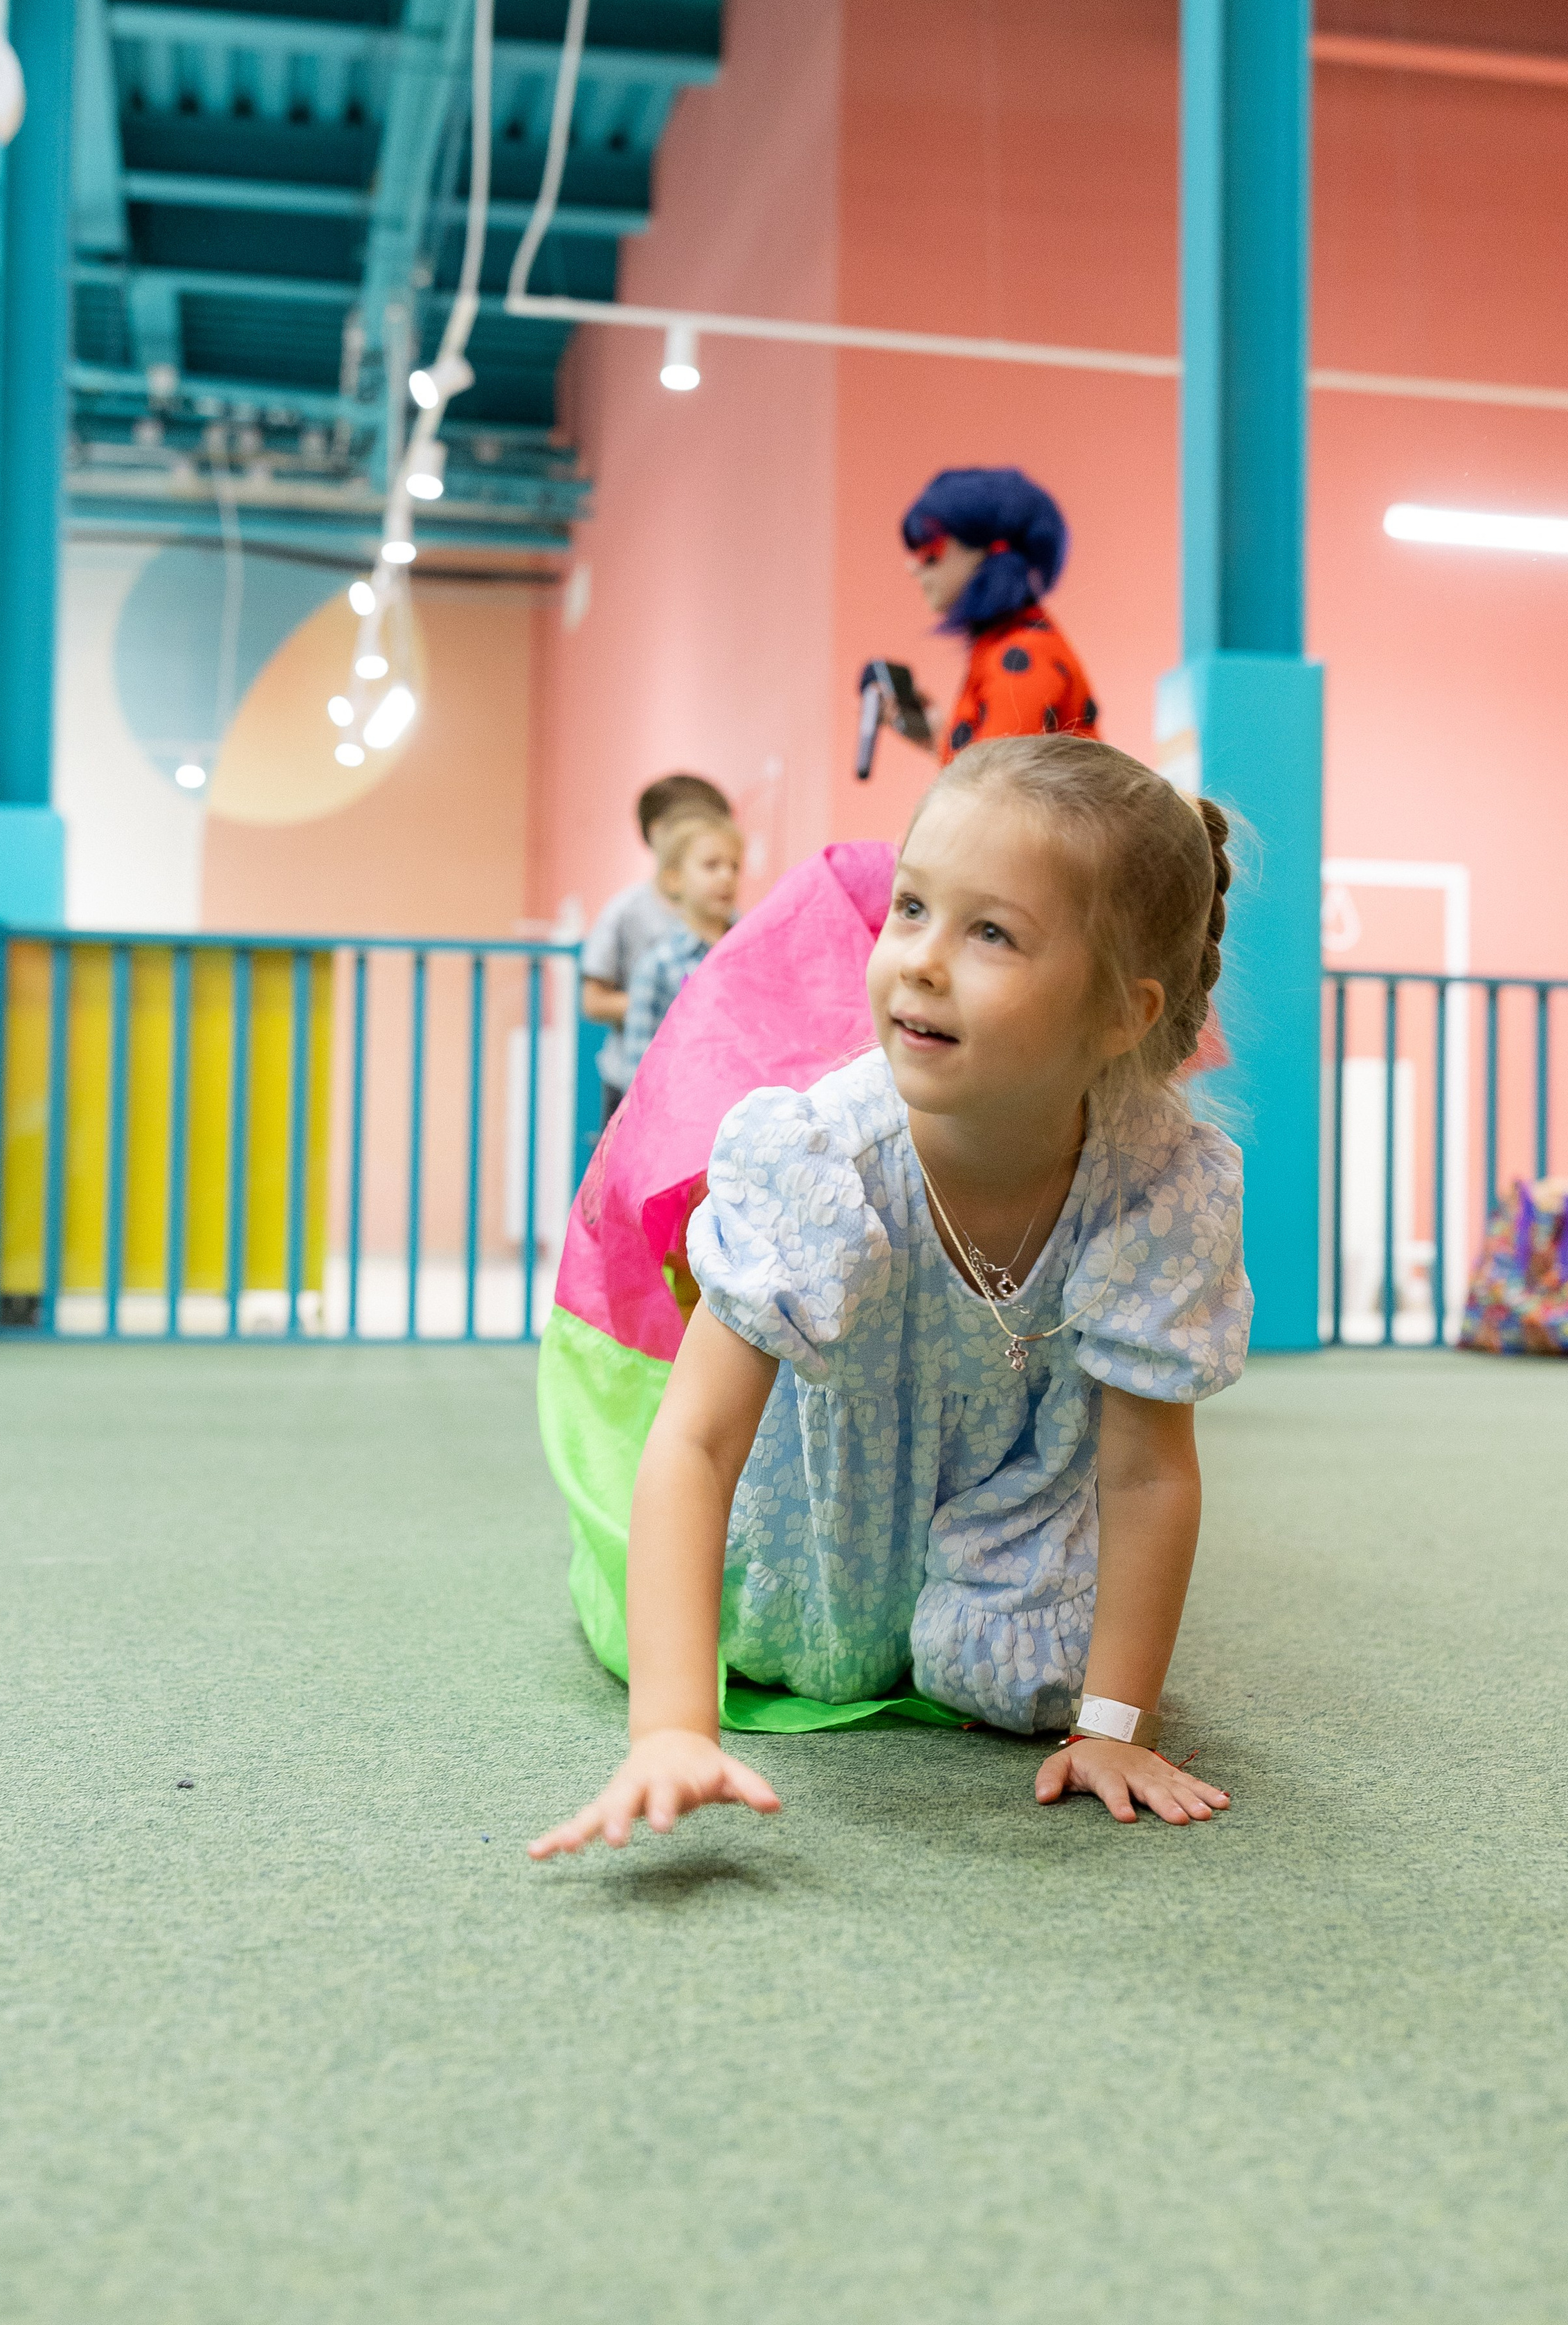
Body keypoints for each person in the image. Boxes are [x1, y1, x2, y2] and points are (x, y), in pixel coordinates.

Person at [530, 736, 1249, 1860]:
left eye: (992, 932)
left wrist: (1115, 1727)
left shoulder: (1157, 1183)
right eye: (910, 907)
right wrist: (672, 1727)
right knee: (798, 1644)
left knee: (1030, 1683)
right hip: (820, 1538)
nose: (919, 960)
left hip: (1006, 1518)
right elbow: (698, 1441)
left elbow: (1149, 1471)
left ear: (1123, 1013)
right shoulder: (822, 1154)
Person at [896, 466, 1099, 761]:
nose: (913, 567)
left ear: (990, 549)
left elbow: (994, 786)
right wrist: (939, 739)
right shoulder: (1009, 644)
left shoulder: (1022, 653)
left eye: (930, 548)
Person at [582, 773, 730, 1122]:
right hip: (632, 1079)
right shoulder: (626, 913)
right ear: (659, 833)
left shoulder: (730, 919)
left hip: (702, 1083)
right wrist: (664, 1002)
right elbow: (593, 1000)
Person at [620, 812, 744, 1079]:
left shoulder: (751, 954)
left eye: (735, 867)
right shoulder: (657, 965)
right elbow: (639, 1067)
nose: (727, 876)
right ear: (674, 879)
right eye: (711, 865)